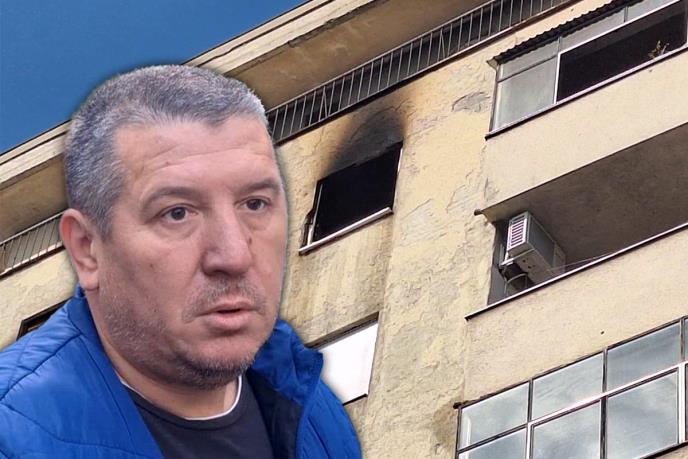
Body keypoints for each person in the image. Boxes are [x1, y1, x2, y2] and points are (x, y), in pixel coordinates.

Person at [0, 65, 361, 458]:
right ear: (87, 249)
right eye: (177, 213)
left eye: (254, 204)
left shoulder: (307, 401)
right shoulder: (15, 436)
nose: (234, 256)